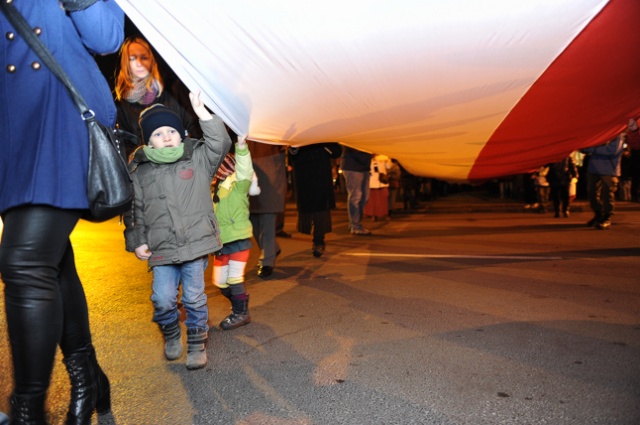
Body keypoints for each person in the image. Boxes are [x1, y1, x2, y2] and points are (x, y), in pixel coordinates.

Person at [0, 1, 124, 423]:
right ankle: (88, 377)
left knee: (25, 261)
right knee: (52, 261)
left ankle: (28, 411)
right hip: (11, 128)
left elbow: (107, 37)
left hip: (61, 117)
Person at [124, 93, 232, 369]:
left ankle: (197, 342)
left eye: (172, 130)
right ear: (148, 141)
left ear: (180, 133)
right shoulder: (140, 169)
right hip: (162, 248)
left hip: (194, 244)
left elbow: (220, 144)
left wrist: (202, 113)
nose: (168, 136)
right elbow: (133, 207)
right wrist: (136, 239)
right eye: (159, 133)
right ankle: (171, 332)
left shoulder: (196, 157)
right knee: (162, 299)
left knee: (194, 298)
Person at [114, 36, 201, 158]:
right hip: (152, 169)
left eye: (144, 57)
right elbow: (127, 146)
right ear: (125, 63)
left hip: (184, 161)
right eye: (132, 58)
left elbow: (194, 127)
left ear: (151, 60)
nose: (139, 63)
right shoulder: (121, 106)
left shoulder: (173, 89)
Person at [211, 138, 261, 330]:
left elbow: (245, 169)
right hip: (221, 242)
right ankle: (240, 301)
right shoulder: (214, 188)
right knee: (220, 282)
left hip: (239, 239)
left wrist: (241, 147)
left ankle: (241, 313)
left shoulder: (238, 185)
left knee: (234, 279)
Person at [581, 119, 640, 229]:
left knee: (607, 194)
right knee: (591, 192)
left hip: (610, 170)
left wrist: (593, 149)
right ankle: (598, 213)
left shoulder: (617, 134)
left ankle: (606, 216)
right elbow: (584, 148)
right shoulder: (598, 133)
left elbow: (612, 150)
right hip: (593, 168)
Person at [289, 143, 342, 257]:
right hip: (304, 175)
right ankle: (317, 240)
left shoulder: (324, 136)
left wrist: (324, 143)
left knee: (320, 210)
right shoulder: (299, 134)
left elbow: (337, 151)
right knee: (308, 208)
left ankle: (318, 241)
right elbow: (292, 155)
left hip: (321, 174)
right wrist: (294, 147)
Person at [248, 141, 288, 278]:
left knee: (268, 215)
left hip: (270, 162)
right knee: (251, 217)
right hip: (246, 162)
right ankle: (272, 248)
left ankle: (267, 261)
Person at [341, 146, 373, 235]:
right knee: (356, 196)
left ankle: (354, 223)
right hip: (352, 166)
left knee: (365, 196)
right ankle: (355, 226)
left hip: (364, 167)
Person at [364, 154, 392, 221]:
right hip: (372, 182)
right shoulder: (368, 159)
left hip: (382, 181)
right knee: (373, 200)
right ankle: (374, 215)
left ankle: (384, 214)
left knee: (383, 199)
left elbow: (389, 166)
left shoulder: (383, 157)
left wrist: (387, 159)